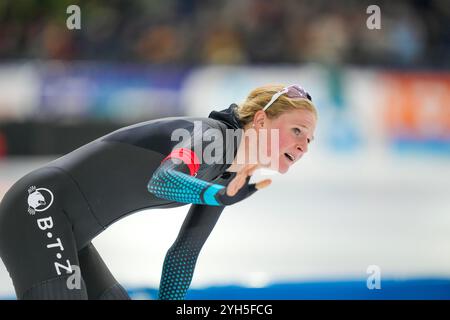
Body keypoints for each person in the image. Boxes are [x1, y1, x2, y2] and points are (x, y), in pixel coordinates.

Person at [0, 84, 317, 300]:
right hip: (37, 208)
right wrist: (216, 196)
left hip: (67, 231)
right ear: (260, 121)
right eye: (297, 130)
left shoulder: (227, 172)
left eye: (309, 139)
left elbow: (184, 254)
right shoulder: (210, 136)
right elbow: (163, 179)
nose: (303, 145)